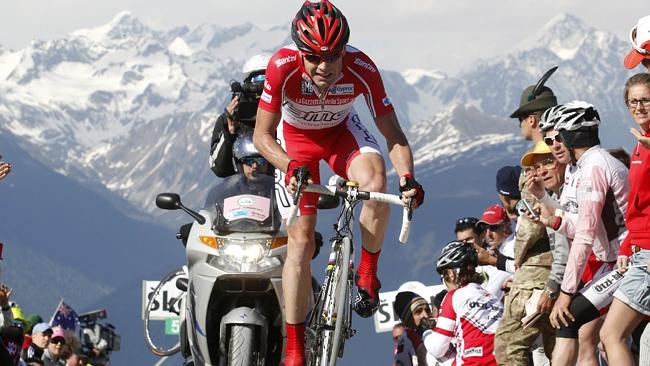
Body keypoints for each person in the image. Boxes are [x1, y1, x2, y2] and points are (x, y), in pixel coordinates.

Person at [252, 1, 423, 364]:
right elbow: (262, 137)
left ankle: (367, 274)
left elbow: (392, 135)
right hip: (295, 145)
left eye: (333, 56)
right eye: (313, 57)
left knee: (377, 183)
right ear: (300, 51)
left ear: (345, 49)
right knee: (299, 242)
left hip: (341, 135)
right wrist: (289, 164)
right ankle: (296, 349)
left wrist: (408, 177)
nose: (325, 66)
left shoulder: (362, 67)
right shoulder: (281, 66)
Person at [530, 101, 629, 366]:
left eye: (555, 137)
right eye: (549, 140)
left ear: (572, 133)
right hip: (613, 261)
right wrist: (552, 220)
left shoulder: (595, 166)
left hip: (626, 261)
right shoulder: (581, 166)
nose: (553, 145)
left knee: (572, 319)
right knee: (606, 335)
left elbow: (584, 235)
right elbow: (575, 222)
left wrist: (566, 291)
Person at [495, 73, 557, 365]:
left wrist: (517, 256)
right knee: (559, 346)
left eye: (521, 118)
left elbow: (530, 222)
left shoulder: (537, 159)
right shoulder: (563, 152)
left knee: (509, 346)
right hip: (562, 265)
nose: (519, 124)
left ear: (533, 120)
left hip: (537, 268)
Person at [599, 73, 650, 365]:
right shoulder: (640, 144)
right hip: (639, 250)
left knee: (611, 335)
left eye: (645, 100)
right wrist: (627, 245)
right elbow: (639, 205)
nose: (639, 106)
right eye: (633, 102)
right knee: (645, 342)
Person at [423, 240, 502, 365]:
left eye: (443, 277)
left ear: (450, 274)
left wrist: (425, 332)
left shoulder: (453, 296)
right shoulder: (493, 298)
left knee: (433, 358)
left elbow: (437, 349)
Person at [209, 53, 272, 177]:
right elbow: (219, 169)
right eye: (258, 79)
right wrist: (229, 133)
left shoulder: (290, 115)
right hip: (242, 192)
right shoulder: (230, 118)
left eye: (269, 80)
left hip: (282, 191)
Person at [393, 291, 435, 366]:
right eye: (418, 312)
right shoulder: (409, 338)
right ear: (408, 321)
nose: (425, 315)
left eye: (427, 310)